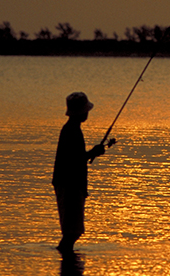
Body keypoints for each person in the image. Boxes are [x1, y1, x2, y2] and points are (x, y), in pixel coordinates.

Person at [52, 92, 105, 253]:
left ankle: (66, 260)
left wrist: (91, 153)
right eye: (86, 110)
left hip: (69, 183)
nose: (87, 113)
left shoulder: (71, 129)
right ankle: (65, 257)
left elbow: (76, 158)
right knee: (72, 231)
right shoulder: (71, 131)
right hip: (69, 185)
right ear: (82, 111)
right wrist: (92, 153)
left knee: (73, 230)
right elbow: (75, 160)